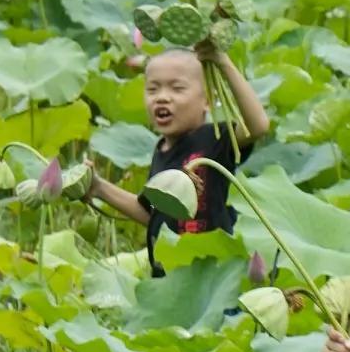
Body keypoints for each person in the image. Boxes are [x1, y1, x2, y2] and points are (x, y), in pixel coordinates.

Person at [90, 46, 270, 275]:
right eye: (153, 89)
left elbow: (258, 126)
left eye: (177, 88)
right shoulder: (159, 151)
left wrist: (222, 62)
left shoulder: (215, 139)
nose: (162, 97)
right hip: (170, 276)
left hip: (212, 275)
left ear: (207, 100)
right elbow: (152, 213)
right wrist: (99, 187)